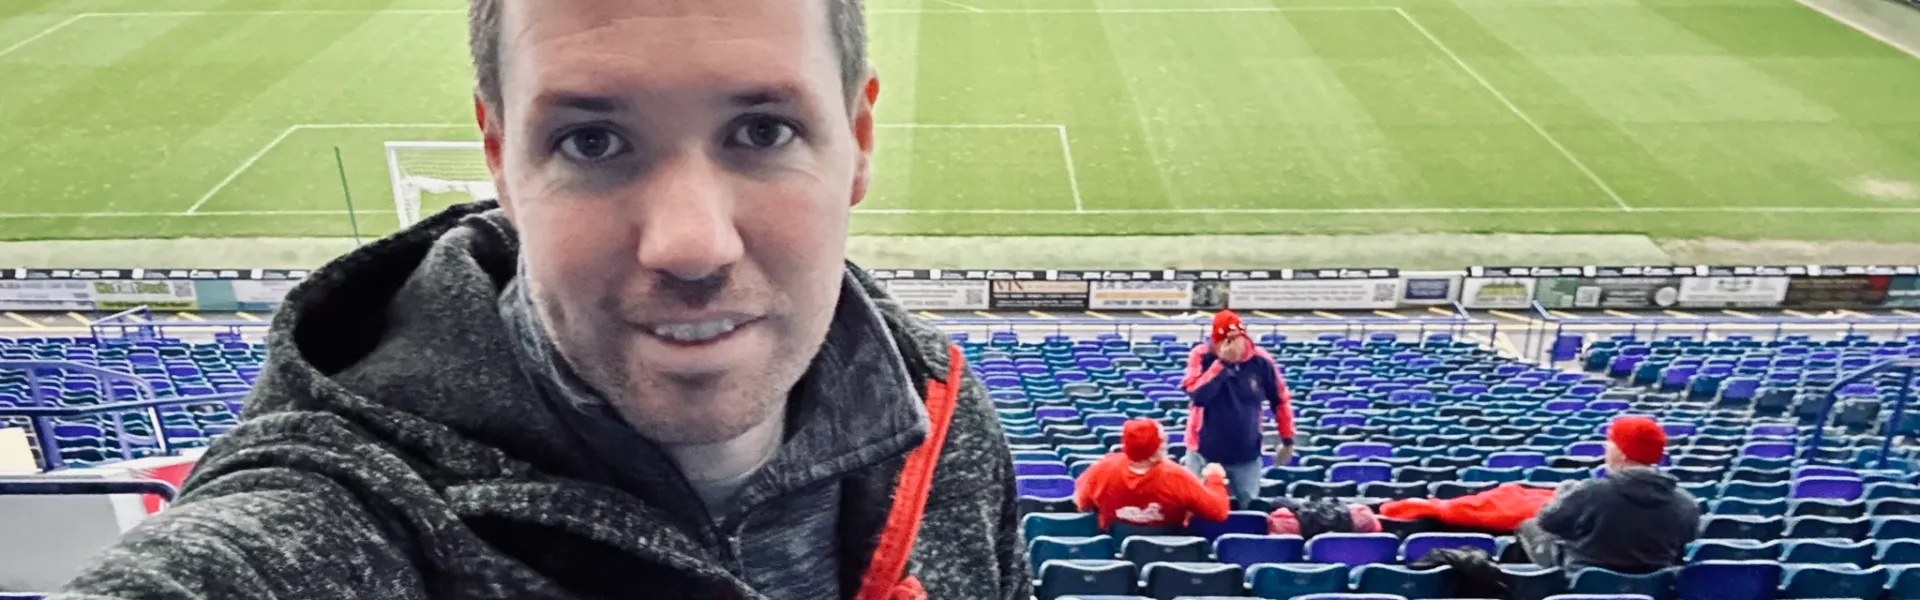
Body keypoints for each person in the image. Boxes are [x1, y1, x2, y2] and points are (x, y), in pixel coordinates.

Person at [54, 0, 1030, 598]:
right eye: (593, 141)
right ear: (500, 158)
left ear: (857, 140)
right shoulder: (341, 512)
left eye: (762, 130)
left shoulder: (946, 422)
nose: (690, 243)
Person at [1516, 416, 1700, 574]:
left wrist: (1561, 497)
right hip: (1654, 584)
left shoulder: (1592, 491)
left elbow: (1548, 521)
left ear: (1622, 453)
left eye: (1611, 441)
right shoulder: (1685, 501)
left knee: (1528, 526)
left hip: (1583, 580)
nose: (1606, 446)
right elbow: (1686, 540)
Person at [1182, 310, 1296, 507]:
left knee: (1248, 506)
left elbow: (1280, 400)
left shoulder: (1262, 361)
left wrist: (1287, 440)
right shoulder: (1201, 356)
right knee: (1197, 507)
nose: (1228, 347)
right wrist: (1221, 365)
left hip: (1246, 453)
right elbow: (1198, 395)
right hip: (1203, 451)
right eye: (1221, 342)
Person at [1075, 419, 1232, 531]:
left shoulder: (1102, 469)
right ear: (1155, 452)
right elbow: (1218, 512)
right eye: (1162, 441)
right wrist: (1215, 478)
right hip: (1171, 554)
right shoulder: (1177, 476)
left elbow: (1082, 503)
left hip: (1117, 554)